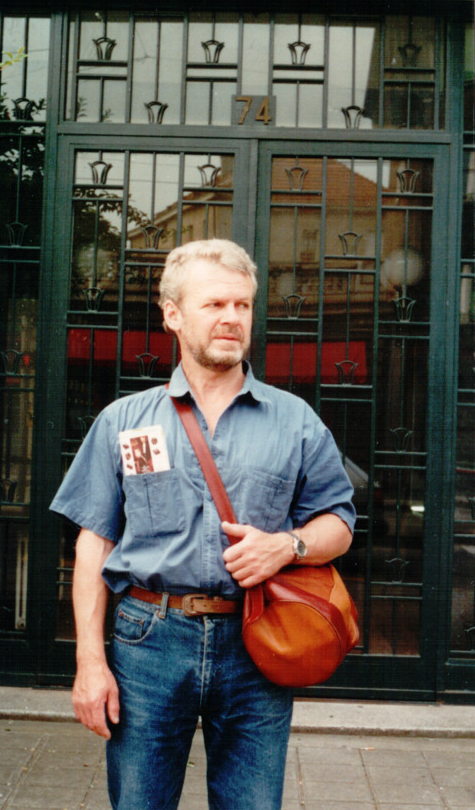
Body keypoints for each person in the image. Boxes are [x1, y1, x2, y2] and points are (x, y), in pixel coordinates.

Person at [50, 238, 355, 810]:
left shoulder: (295, 421)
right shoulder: (125, 421)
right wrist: (90, 662)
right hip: (148, 639)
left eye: (242, 305)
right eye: (214, 304)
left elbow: (339, 522)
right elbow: (95, 543)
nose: (231, 318)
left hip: (257, 639)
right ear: (173, 315)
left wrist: (287, 546)